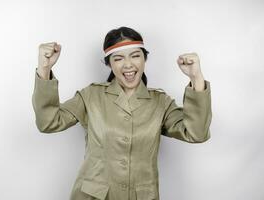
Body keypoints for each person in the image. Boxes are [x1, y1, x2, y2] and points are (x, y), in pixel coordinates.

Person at [32, 26, 212, 200]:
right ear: (109, 63)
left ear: (144, 59)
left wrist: (196, 78)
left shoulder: (161, 102)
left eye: (135, 56)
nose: (128, 65)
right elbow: (49, 123)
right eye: (118, 58)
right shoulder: (91, 95)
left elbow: (196, 133)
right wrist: (44, 68)